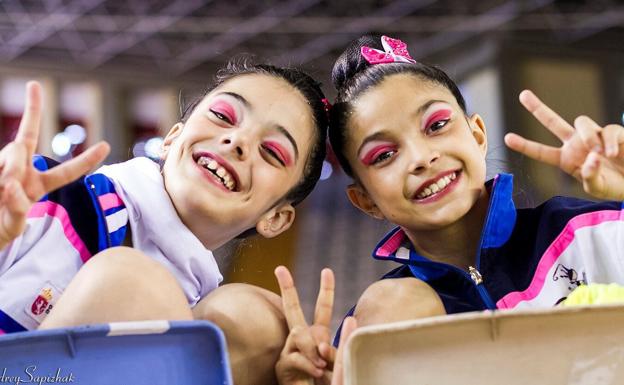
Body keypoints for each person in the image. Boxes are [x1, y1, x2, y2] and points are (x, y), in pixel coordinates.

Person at [276, 33, 624, 384]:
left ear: (477, 135)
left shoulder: (585, 232)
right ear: (366, 200)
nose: (421, 158)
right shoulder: (379, 323)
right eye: (384, 155)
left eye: (437, 125)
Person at [0, 60, 329, 385]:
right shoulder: (37, 196)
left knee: (258, 323)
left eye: (272, 151)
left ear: (275, 218)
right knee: (134, 281)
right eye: (223, 116)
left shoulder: (218, 325)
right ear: (172, 138)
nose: (236, 142)